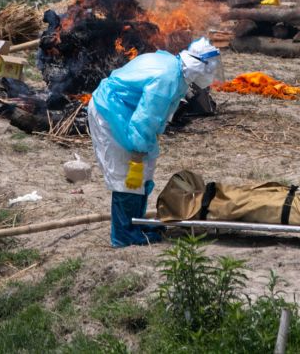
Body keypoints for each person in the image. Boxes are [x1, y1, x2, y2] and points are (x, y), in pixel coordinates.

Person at [88, 37, 222, 247]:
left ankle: (136, 223)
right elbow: (147, 117)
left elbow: (155, 115)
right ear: (199, 66)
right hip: (112, 111)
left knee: (143, 171)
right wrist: (139, 148)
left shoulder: (175, 70)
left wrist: (145, 148)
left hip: (125, 111)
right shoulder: (167, 78)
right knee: (128, 173)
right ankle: (124, 234)